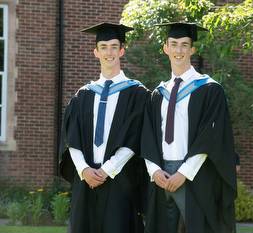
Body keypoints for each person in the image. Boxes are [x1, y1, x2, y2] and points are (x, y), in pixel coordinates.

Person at [141, 22, 238, 233]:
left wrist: (183, 173)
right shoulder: (158, 93)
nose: (179, 50)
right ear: (165, 48)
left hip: (195, 176)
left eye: (184, 45)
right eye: (174, 44)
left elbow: (210, 137)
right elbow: (147, 135)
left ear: (192, 49)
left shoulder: (209, 89)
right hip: (161, 176)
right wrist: (154, 170)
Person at [59, 22, 148, 233]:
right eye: (104, 47)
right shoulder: (83, 95)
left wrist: (107, 170)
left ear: (122, 50)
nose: (109, 52)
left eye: (114, 46)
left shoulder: (137, 94)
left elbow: (135, 137)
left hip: (120, 180)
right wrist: (83, 170)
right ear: (96, 52)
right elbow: (72, 138)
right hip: (86, 180)